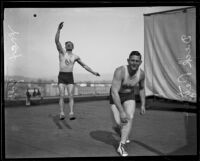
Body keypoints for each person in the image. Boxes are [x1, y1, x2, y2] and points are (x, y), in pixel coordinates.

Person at [55, 22, 100, 120]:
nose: (69, 45)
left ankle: (71, 113)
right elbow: (57, 41)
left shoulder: (75, 57)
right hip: (62, 76)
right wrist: (59, 29)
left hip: (69, 76)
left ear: (73, 47)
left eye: (70, 44)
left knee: (71, 95)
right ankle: (62, 113)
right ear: (65, 46)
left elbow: (84, 66)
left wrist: (94, 72)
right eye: (67, 44)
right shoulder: (62, 53)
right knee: (62, 95)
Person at [109, 51, 146, 157]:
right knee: (118, 122)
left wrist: (143, 104)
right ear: (128, 61)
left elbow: (142, 88)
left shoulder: (141, 74)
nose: (134, 63)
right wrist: (121, 111)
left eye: (137, 61)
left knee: (128, 117)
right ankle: (121, 131)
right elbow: (114, 92)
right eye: (132, 60)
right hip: (115, 96)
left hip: (129, 96)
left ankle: (121, 145)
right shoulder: (120, 71)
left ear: (140, 62)